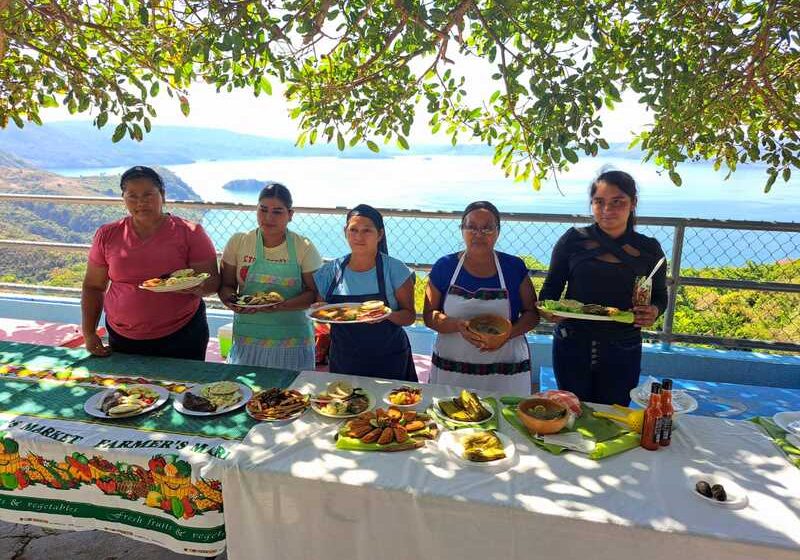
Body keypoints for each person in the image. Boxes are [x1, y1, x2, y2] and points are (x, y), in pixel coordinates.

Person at [539, 170, 667, 405]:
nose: (607, 209)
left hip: (623, 347)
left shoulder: (649, 249)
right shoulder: (573, 240)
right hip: (572, 344)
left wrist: (654, 311)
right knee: (572, 412)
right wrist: (548, 310)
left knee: (613, 416)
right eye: (599, 202)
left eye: (617, 202)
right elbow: (551, 289)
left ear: (633, 203)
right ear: (592, 204)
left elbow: (660, 296)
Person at [81, 166, 220, 360]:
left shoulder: (190, 232)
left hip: (182, 334)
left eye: (148, 195)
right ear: (123, 198)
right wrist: (89, 333)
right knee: (129, 389)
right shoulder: (108, 234)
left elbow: (212, 282)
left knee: (183, 389)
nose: (141, 202)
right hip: (122, 336)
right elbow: (93, 286)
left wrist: (194, 287)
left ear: (162, 195)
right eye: (132, 196)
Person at [424, 201, 539, 394]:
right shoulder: (444, 266)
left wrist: (506, 335)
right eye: (471, 227)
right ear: (462, 230)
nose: (479, 234)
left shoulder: (513, 267)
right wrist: (456, 325)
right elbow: (429, 315)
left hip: (505, 368)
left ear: (498, 231)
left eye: (487, 228)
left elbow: (532, 314)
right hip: (452, 369)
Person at [219, 183, 322, 370]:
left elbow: (314, 293)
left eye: (277, 212)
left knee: (292, 395)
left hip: (293, 339)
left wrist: (281, 306)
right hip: (248, 337)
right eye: (263, 210)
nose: (268, 218)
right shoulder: (239, 242)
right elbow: (226, 285)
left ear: (290, 215)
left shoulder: (303, 246)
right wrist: (231, 302)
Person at [313, 204, 417, 380]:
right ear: (345, 231)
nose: (359, 236)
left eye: (366, 231)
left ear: (380, 234)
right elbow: (321, 313)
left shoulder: (395, 269)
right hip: (344, 359)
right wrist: (321, 311)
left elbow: (409, 316)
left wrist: (386, 315)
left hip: (389, 359)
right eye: (353, 230)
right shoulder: (331, 271)